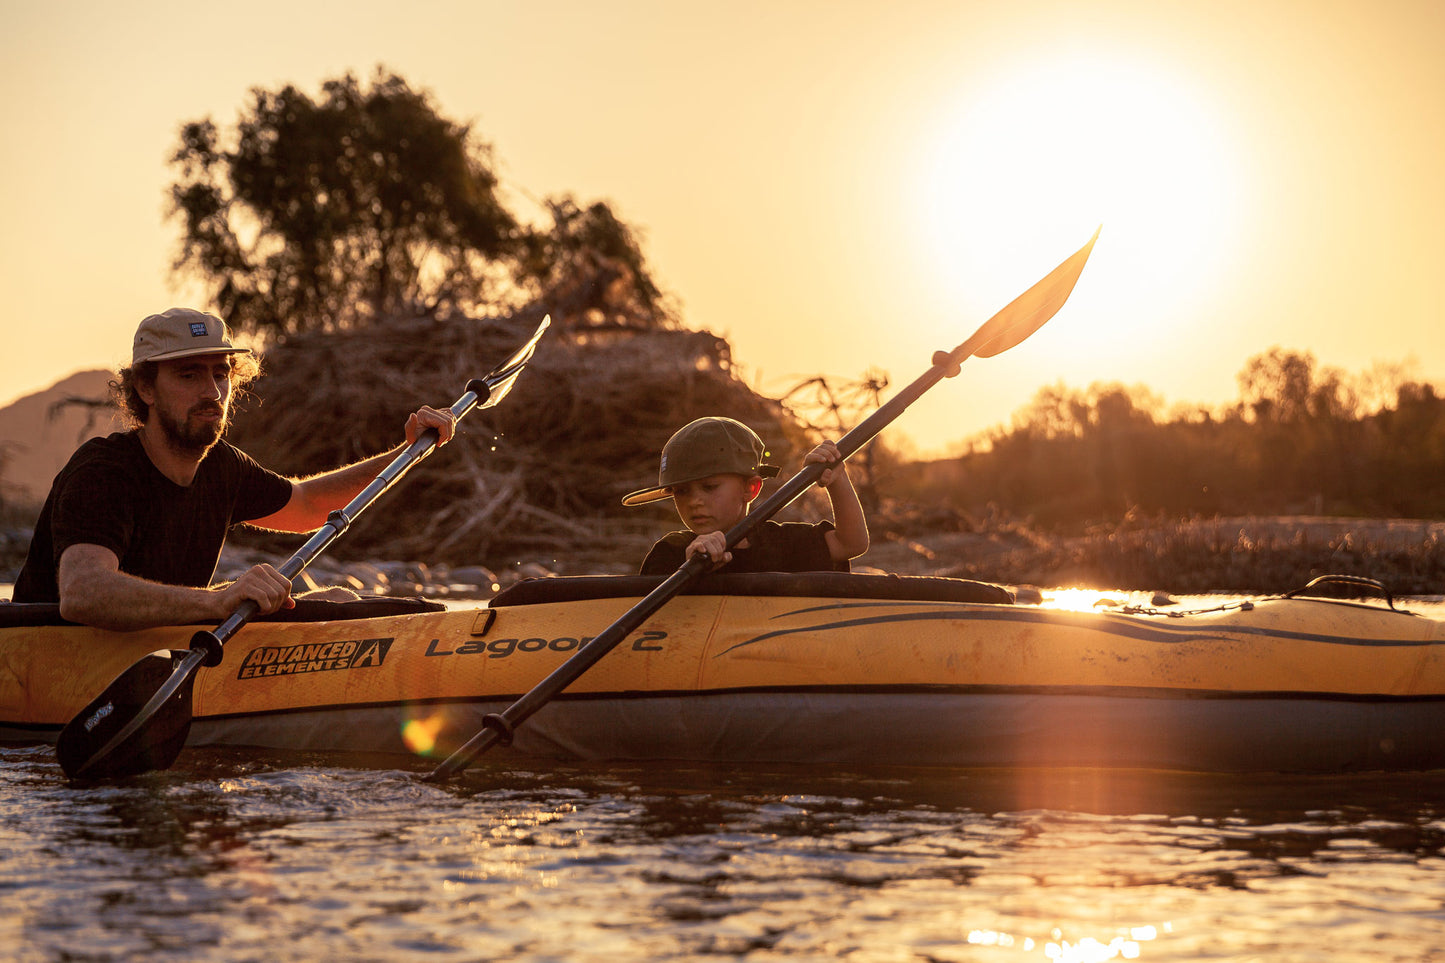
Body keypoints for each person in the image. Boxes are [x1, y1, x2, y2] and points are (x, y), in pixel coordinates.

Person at [11, 307, 457, 630]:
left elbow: (306, 506)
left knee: (337, 599)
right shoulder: (103, 472)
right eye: (189, 375)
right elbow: (84, 594)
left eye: (220, 374)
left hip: (161, 648)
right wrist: (219, 600)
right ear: (145, 387)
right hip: (49, 660)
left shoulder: (222, 466)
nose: (212, 391)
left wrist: (409, 451)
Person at [624, 416, 869, 575]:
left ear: (750, 489)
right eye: (682, 491)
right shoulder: (669, 554)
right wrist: (690, 570)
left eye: (709, 487)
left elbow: (851, 543)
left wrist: (838, 480)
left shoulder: (784, 544)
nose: (694, 501)